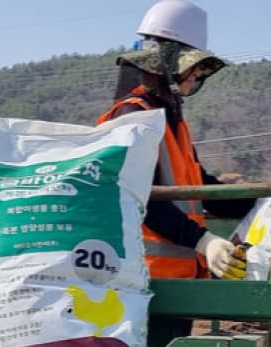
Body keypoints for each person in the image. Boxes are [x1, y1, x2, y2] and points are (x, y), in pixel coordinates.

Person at [97, 0, 252, 291]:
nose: (195, 74)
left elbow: (201, 188)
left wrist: (259, 199)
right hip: (142, 282)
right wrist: (202, 240)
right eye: (192, 66)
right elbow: (139, 198)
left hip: (176, 278)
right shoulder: (133, 117)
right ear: (168, 64)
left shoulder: (171, 120)